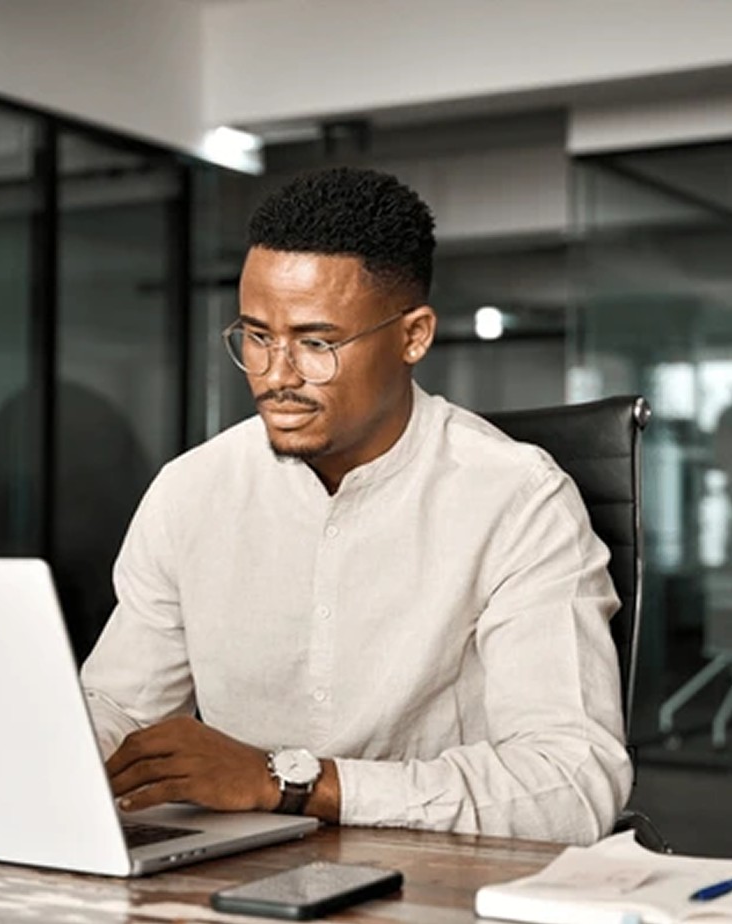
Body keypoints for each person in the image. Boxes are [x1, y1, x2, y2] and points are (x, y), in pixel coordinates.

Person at [81, 166, 632, 844]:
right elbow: (121, 710)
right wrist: (50, 750)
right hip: (228, 870)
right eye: (257, 336)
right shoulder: (190, 491)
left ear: (414, 336)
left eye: (317, 343)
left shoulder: (518, 500)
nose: (277, 375)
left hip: (434, 876)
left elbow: (572, 782)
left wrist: (293, 783)